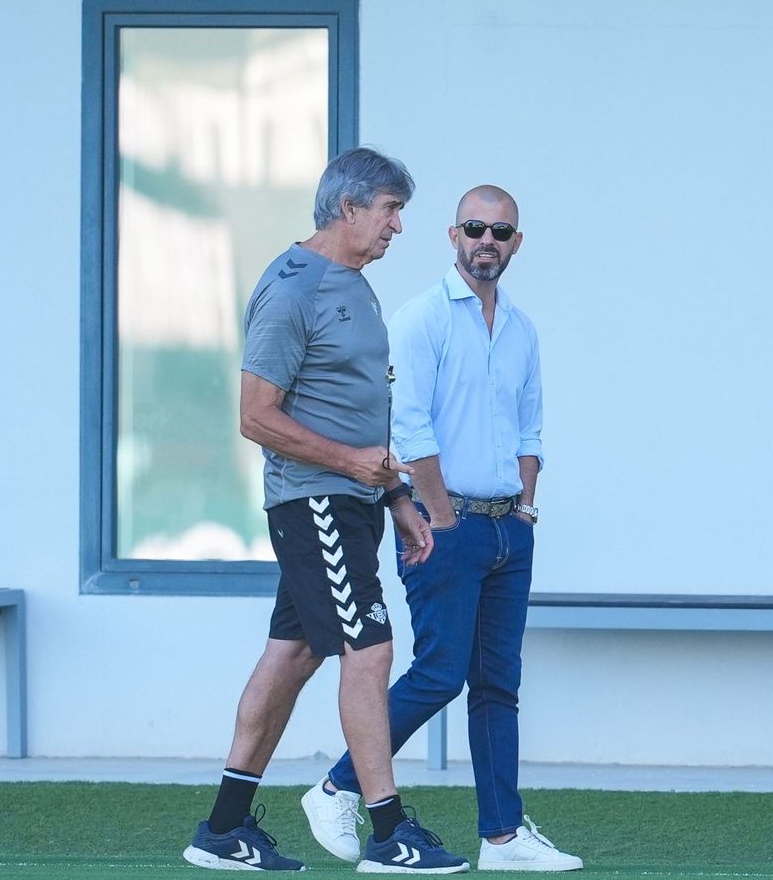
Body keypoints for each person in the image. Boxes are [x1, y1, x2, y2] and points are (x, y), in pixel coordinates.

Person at [183, 147, 469, 874]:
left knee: (294, 653)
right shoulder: (291, 289)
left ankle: (222, 830)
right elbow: (255, 416)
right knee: (369, 651)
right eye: (389, 210)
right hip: (314, 501)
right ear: (348, 208)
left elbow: (358, 409)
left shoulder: (355, 284)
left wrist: (397, 494)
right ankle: (388, 833)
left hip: (352, 499)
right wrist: (352, 468)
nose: (398, 226)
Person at [301, 186, 582, 872]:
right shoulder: (421, 318)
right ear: (453, 235)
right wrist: (443, 518)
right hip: (440, 524)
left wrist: (526, 512)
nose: (488, 240)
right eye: (476, 228)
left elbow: (530, 427)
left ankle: (504, 838)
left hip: (508, 531)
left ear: (517, 243)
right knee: (440, 673)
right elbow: (409, 425)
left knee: (497, 685)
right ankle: (336, 786)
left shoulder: (521, 328)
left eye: (502, 231)